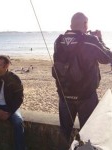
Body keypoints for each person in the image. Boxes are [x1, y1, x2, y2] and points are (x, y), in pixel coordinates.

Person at [52, 12, 112, 149]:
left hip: (64, 95)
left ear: (71, 25)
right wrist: (100, 39)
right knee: (87, 133)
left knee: (64, 132)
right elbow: (107, 58)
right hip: (86, 96)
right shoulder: (90, 41)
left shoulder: (58, 41)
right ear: (85, 24)